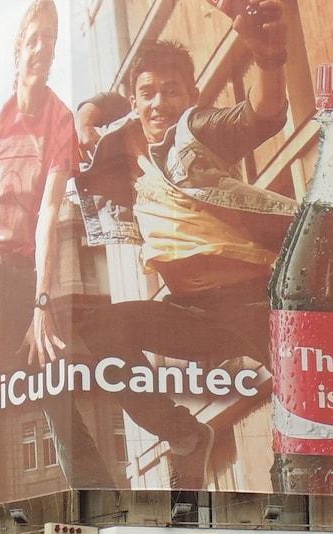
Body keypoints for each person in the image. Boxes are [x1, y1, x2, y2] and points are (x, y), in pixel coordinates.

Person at [63, 1, 296, 488]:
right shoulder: (121, 150)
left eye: (172, 92)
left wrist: (270, 62)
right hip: (191, 313)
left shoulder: (196, 132)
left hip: (254, 300)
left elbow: (258, 117)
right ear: (133, 102)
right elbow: (108, 103)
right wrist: (88, 109)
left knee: (302, 402)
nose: (158, 104)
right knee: (97, 328)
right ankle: (184, 435)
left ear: (191, 96)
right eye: (148, 94)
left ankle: (299, 481)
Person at [0, 0, 119, 490]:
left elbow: (49, 211)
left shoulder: (59, 120)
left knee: (56, 393)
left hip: (23, 274)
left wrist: (41, 303)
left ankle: (101, 499)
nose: (43, 49)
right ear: (18, 50)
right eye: (35, 40)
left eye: (51, 40)